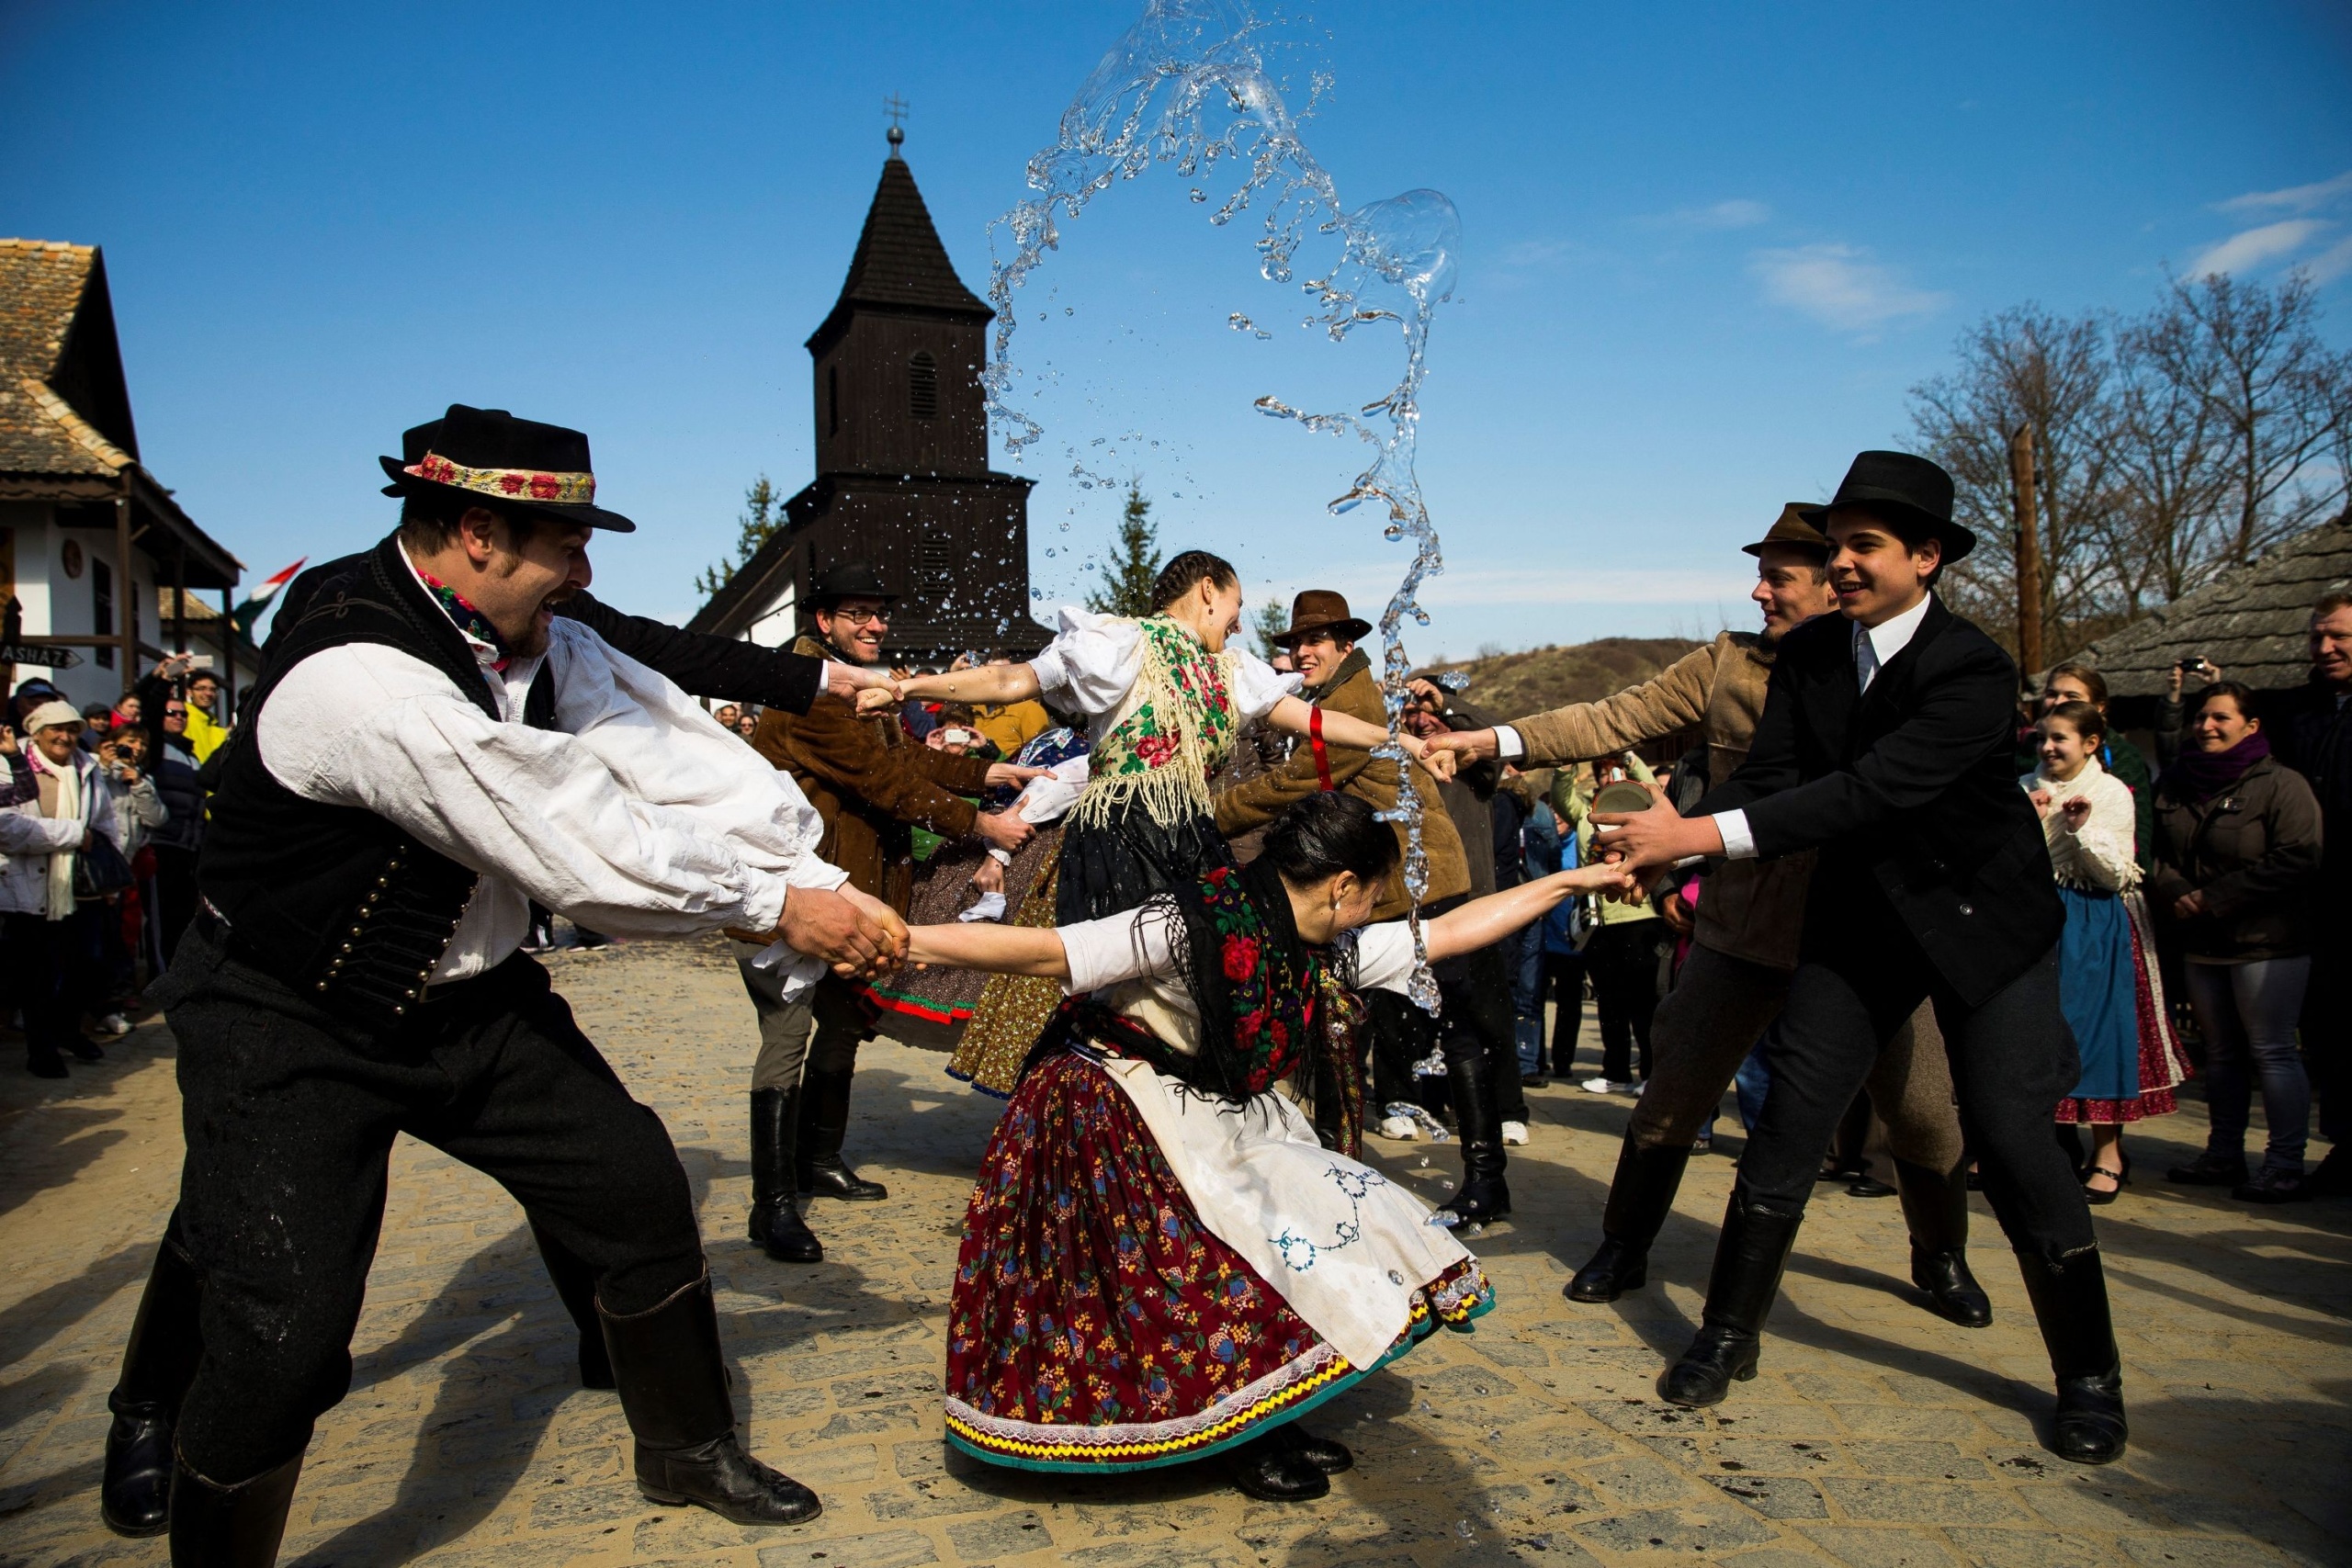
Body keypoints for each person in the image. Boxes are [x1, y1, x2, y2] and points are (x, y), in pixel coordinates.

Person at [127, 406, 909, 1562]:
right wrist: (784, 908)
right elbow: (567, 831)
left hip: (473, 1005)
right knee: (282, 1322)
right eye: (567, 543)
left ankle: (685, 1447)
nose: (586, 569)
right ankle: (157, 1426)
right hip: (286, 1011)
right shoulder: (362, 673)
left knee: (637, 1189)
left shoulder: (548, 634)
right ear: (480, 533)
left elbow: (671, 751)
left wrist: (802, 868)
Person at [1593, 452, 2128, 1464]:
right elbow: (1780, 779)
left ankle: (2088, 1376)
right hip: (1859, 921)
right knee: (1791, 1114)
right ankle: (1726, 1332)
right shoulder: (1806, 660)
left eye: (1863, 545)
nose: (1840, 563)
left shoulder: (1971, 669)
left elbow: (1872, 792)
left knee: (2011, 1139)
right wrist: (1674, 835)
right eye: (1833, 545)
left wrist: (1695, 840)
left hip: (1986, 930)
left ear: (1925, 558)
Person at [902, 791, 1633, 1498]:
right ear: (1343, 884)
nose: (1373, 911)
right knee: (1207, 1269)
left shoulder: (1316, 941)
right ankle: (1239, 1434)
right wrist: (908, 941)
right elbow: (1047, 952)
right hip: (1109, 1109)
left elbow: (1449, 933)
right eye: (1373, 894)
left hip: (1212, 1109)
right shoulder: (1190, 920)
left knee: (1315, 1223)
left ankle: (1268, 1420)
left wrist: (1570, 879)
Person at [1430, 502, 1984, 1327]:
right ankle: (1624, 1243)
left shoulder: (1899, 668)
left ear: (1833, 581)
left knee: (1926, 1113)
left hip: (1868, 931)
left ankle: (1939, 1256)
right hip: (1747, 922)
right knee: (1673, 1091)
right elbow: (1611, 717)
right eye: (1760, 574)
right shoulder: (1727, 664)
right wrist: (1491, 741)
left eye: (1777, 577)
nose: (1758, 591)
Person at [732, 561, 1045, 1265]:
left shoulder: (859, 689)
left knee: (843, 1025)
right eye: (859, 614)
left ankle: (818, 1159)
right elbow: (885, 780)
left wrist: (993, 773)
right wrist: (982, 826)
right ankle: (771, 1203)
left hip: (853, 892)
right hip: (793, 893)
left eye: (880, 613)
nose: (876, 625)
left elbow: (908, 757)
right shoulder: (806, 694)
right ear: (824, 623)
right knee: (788, 1039)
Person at [1209, 591, 1492, 1210]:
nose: (1302, 652)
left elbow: (1294, 784)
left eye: (1316, 641)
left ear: (1347, 646)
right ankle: (1352, 1163)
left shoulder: (1352, 702)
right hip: (1402, 880)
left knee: (1428, 1027)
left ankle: (1465, 1178)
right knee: (1354, 1020)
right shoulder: (1346, 695)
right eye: (1294, 643)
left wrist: (1204, 818)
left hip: (1414, 883)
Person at [2151, 681, 2324, 1203]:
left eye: (2221, 718)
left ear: (2250, 727)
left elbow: (2299, 855)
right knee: (2221, 1056)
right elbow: (2153, 849)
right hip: (2203, 943)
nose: (2206, 726)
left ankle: (2284, 1164)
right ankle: (2222, 1154)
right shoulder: (2176, 784)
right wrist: (2179, 891)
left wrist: (2216, 897)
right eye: (2202, 716)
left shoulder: (2281, 785)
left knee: (2272, 1052)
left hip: (2267, 943)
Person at [2025, 701, 2188, 1201]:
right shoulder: (2025, 788)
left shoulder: (2111, 792)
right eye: (2043, 738)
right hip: (2032, 920)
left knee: (2093, 1034)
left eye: (2060, 739)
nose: (2048, 747)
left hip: (2091, 922)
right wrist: (2027, 823)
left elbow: (2117, 874)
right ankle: (2039, 1148)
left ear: (2091, 744)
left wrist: (2080, 827)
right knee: (2031, 1033)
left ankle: (2109, 1153)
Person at [2267, 592, 2351, 1195]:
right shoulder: (2299, 712)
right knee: (2326, 1031)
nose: (2325, 649)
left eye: (2340, 637)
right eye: (2317, 637)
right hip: (2310, 900)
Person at [2, 701, 119, 1076]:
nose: (66, 736)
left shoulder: (86, 767)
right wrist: (73, 835)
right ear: (35, 732)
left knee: (86, 966)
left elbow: (105, 822)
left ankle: (68, 1031)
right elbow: (10, 831)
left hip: (81, 886)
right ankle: (42, 1049)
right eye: (56, 729)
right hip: (27, 889)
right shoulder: (10, 763)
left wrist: (111, 871)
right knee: (37, 974)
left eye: (72, 729)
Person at [1552, 756, 1667, 1095]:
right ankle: (1615, 1071)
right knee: (1609, 1001)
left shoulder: (1643, 814)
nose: (1608, 777)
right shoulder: (1590, 817)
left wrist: (1631, 759)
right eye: (1602, 773)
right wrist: (1566, 762)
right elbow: (1562, 797)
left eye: (1613, 771)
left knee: (1646, 1002)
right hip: (1600, 923)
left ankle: (1650, 1072)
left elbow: (1655, 789)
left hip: (1640, 917)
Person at [2030, 663, 2154, 874]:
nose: (2058, 702)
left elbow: (2138, 829)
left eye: (2072, 696)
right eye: (2052, 694)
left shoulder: (2122, 757)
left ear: (2099, 707)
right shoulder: (2026, 751)